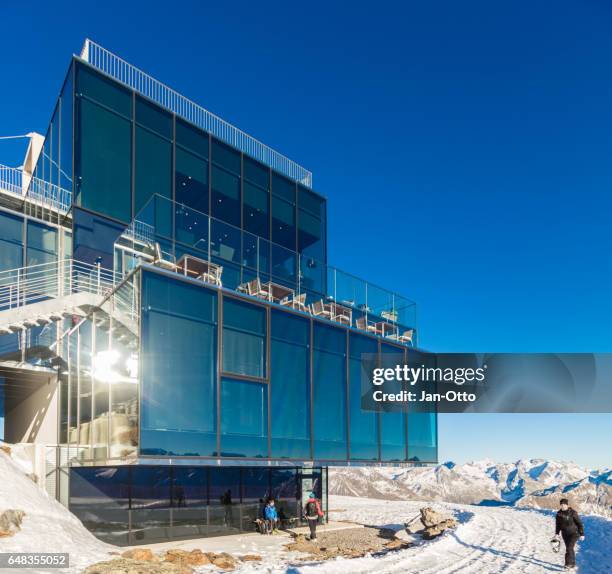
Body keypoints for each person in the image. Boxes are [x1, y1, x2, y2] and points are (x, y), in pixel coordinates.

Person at [553, 498, 584, 570]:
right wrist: (557, 533)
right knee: (569, 549)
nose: (563, 506)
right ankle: (572, 564)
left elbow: (579, 523)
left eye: (564, 504)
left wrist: (582, 533)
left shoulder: (573, 512)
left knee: (569, 547)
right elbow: (558, 525)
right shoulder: (559, 514)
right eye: (561, 504)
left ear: (567, 505)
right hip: (565, 534)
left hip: (574, 533)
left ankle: (568, 564)